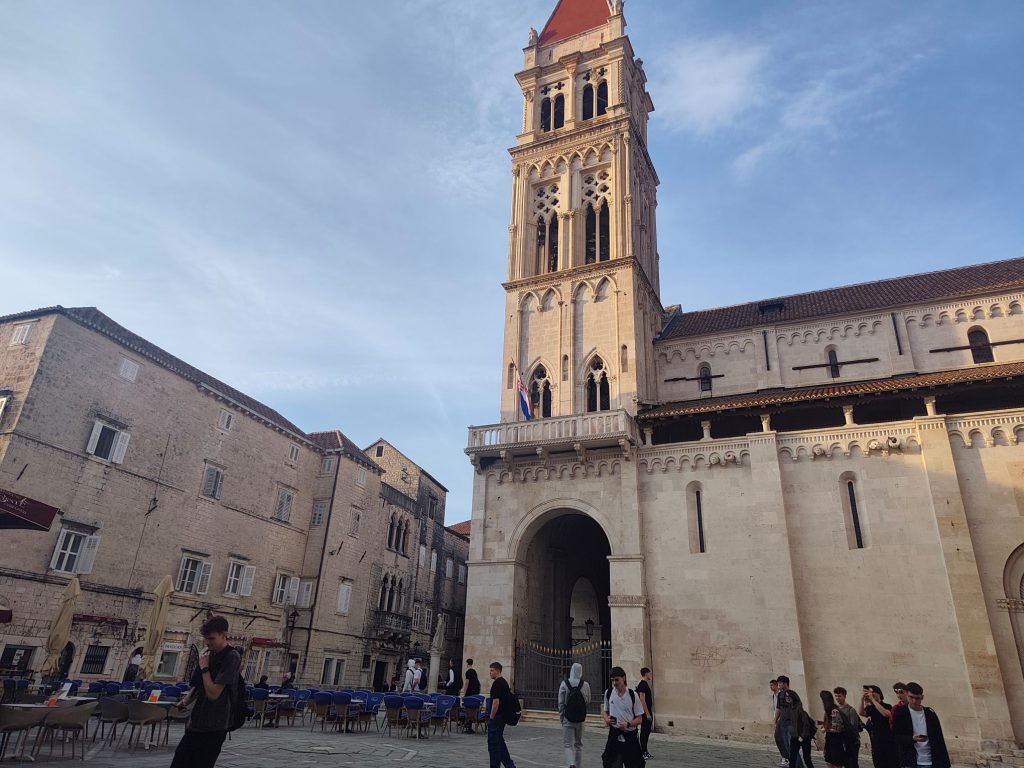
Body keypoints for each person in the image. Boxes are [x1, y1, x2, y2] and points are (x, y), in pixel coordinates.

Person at [169, 615, 241, 768]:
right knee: (179, 762)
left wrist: (205, 668)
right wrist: (186, 700)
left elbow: (213, 694)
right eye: (205, 638)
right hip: (196, 721)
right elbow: (198, 685)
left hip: (215, 724)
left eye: (211, 638)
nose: (207, 642)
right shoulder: (209, 655)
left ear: (224, 634)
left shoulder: (231, 656)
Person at [891, 682, 950, 768]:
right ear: (907, 695)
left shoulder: (930, 713)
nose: (914, 701)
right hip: (910, 760)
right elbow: (895, 736)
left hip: (930, 760)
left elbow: (939, 739)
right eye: (911, 697)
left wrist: (944, 763)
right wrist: (912, 739)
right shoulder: (900, 713)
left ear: (922, 697)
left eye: (917, 698)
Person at [600, 666, 645, 768]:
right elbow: (605, 711)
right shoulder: (609, 693)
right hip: (614, 735)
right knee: (611, 763)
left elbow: (639, 719)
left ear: (623, 678)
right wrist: (607, 719)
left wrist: (628, 724)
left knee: (635, 765)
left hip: (630, 737)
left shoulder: (632, 695)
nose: (614, 683)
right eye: (612, 680)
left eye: (617, 680)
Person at [558, 662, 591, 768]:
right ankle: (578, 765)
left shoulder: (564, 684)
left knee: (567, 744)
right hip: (580, 719)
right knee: (579, 745)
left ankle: (571, 764)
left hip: (568, 718)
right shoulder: (585, 685)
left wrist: (562, 716)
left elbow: (561, 703)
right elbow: (588, 701)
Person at [487, 661, 517, 768]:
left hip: (497, 717)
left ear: (497, 671)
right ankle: (509, 765)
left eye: (492, 670)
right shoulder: (504, 682)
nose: (490, 673)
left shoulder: (497, 684)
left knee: (493, 746)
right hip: (502, 717)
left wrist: (491, 717)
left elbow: (496, 703)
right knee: (499, 743)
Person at [860, 685, 897, 768]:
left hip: (888, 740)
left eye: (872, 692)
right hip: (876, 741)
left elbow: (886, 714)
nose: (870, 694)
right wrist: (862, 699)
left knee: (891, 763)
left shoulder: (887, 706)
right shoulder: (870, 708)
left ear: (878, 693)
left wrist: (873, 700)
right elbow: (861, 713)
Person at [785, 689, 815, 768]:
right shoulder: (790, 708)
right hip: (794, 736)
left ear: (793, 697)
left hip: (803, 737)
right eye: (786, 696)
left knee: (807, 758)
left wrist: (802, 736)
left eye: (789, 696)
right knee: (792, 758)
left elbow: (806, 725)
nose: (787, 698)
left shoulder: (800, 710)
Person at [834, 687, 863, 768]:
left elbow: (853, 727)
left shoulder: (850, 710)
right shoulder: (835, 709)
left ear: (844, 696)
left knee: (852, 764)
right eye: (836, 696)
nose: (837, 698)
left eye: (839, 696)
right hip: (841, 741)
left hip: (851, 742)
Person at [820, 690, 847, 768]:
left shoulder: (834, 710)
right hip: (830, 738)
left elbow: (838, 728)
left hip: (836, 739)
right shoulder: (828, 710)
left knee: (836, 762)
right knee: (829, 760)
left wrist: (825, 729)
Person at [636, 667, 655, 761]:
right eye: (649, 673)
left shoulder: (645, 684)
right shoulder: (642, 684)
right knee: (644, 732)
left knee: (647, 732)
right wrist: (647, 714)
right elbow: (642, 700)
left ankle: (645, 750)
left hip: (647, 711)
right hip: (644, 713)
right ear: (646, 673)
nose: (650, 675)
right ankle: (642, 752)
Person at [775, 676, 793, 767]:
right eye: (778, 683)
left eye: (780, 683)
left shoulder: (791, 694)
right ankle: (785, 757)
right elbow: (778, 708)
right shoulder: (780, 694)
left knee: (790, 743)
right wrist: (775, 719)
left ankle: (792, 761)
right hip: (781, 721)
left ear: (785, 683)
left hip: (789, 722)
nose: (778, 685)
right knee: (778, 737)